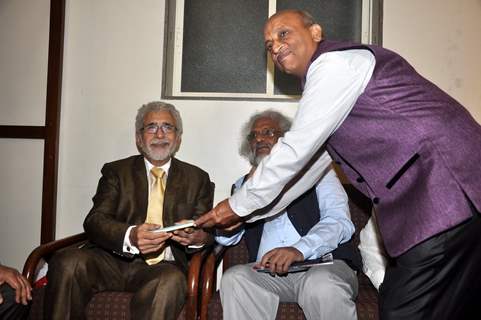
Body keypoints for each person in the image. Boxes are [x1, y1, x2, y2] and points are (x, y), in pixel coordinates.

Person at [196, 9, 481, 320]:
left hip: (446, 192)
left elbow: (295, 150)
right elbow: (306, 170)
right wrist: (246, 211)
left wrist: (238, 205)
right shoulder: (331, 92)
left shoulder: (334, 65)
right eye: (268, 44)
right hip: (453, 200)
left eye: (283, 34)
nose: (275, 47)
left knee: (403, 309)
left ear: (316, 32)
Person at [45, 101, 214, 320]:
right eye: (151, 127)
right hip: (110, 261)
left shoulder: (198, 178)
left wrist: (197, 237)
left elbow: (207, 233)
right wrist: (131, 236)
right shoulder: (116, 171)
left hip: (163, 267)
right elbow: (95, 220)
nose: (160, 134)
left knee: (170, 282)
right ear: (138, 138)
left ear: (178, 137)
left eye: (168, 127)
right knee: (67, 261)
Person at [216, 110, 360, 320]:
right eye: (253, 136)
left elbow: (340, 222)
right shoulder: (242, 186)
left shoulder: (318, 173)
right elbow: (227, 237)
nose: (259, 139)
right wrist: (243, 194)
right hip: (270, 275)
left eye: (268, 132)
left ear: (286, 139)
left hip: (325, 266)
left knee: (321, 285)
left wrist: (298, 249)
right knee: (235, 278)